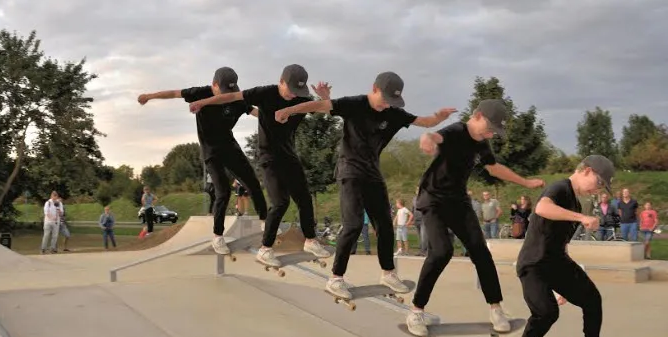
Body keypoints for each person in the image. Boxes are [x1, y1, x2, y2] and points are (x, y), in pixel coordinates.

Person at [274, 71, 456, 297]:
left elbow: (424, 121)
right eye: (384, 100)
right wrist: (288, 110)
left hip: (373, 174)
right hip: (349, 171)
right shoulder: (355, 104)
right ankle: (336, 278)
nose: (386, 106)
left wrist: (438, 118)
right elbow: (320, 107)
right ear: (375, 89)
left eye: (391, 102)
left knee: (385, 227)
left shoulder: (395, 114)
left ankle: (388, 273)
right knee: (353, 224)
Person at [406, 99, 546, 337]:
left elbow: (495, 168)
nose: (490, 135)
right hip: (433, 199)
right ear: (478, 116)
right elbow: (434, 137)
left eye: (494, 132)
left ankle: (496, 309)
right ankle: (416, 310)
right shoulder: (456, 130)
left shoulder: (482, 144)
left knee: (480, 251)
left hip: (458, 201)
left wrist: (525, 182)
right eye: (489, 129)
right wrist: (426, 139)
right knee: (441, 252)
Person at [188, 64, 331, 266]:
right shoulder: (264, 93)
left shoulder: (301, 99)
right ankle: (265, 249)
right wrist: (202, 102)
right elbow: (231, 97)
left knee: (304, 198)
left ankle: (310, 240)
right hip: (269, 158)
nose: (293, 96)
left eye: (297, 92)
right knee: (281, 202)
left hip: (290, 156)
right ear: (281, 81)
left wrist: (324, 96)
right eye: (290, 90)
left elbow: (327, 108)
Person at [138, 67, 267, 255]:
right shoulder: (200, 93)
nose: (227, 97)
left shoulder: (237, 97)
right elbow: (174, 93)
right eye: (224, 92)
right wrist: (149, 96)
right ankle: (218, 237)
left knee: (253, 183)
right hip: (211, 151)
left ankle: (266, 222)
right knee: (222, 191)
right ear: (214, 85)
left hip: (230, 147)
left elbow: (254, 111)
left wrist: (275, 117)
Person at [507, 155, 615, 337]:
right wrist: (582, 217)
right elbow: (542, 208)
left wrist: (562, 286)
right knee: (546, 312)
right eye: (598, 184)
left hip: (557, 262)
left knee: (592, 300)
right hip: (533, 264)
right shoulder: (560, 188)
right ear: (586, 170)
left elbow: (561, 243)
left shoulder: (575, 201)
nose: (596, 191)